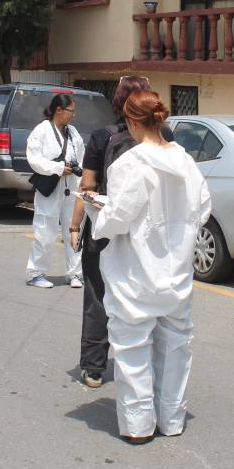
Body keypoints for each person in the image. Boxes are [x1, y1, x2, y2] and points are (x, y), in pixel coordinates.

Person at [91, 90, 211, 444]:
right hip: (176, 270)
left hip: (135, 271)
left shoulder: (130, 164)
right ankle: (172, 418)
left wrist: (95, 206)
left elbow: (117, 219)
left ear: (129, 121)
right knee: (176, 348)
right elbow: (202, 209)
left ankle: (139, 425)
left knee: (132, 350)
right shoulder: (186, 161)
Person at [67, 75, 158, 389]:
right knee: (144, 296)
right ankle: (144, 361)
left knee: (97, 294)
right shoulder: (164, 135)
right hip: (146, 231)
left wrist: (76, 224)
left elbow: (87, 186)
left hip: (105, 229)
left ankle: (93, 368)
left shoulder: (101, 137)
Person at [25, 94, 85, 289]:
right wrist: (58, 168)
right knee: (45, 230)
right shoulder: (41, 131)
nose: (73, 116)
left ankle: (75, 273)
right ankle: (36, 273)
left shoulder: (73, 132)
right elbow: (34, 160)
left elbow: (81, 157)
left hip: (71, 187)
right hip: (50, 186)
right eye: (71, 111)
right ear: (59, 110)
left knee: (74, 229)